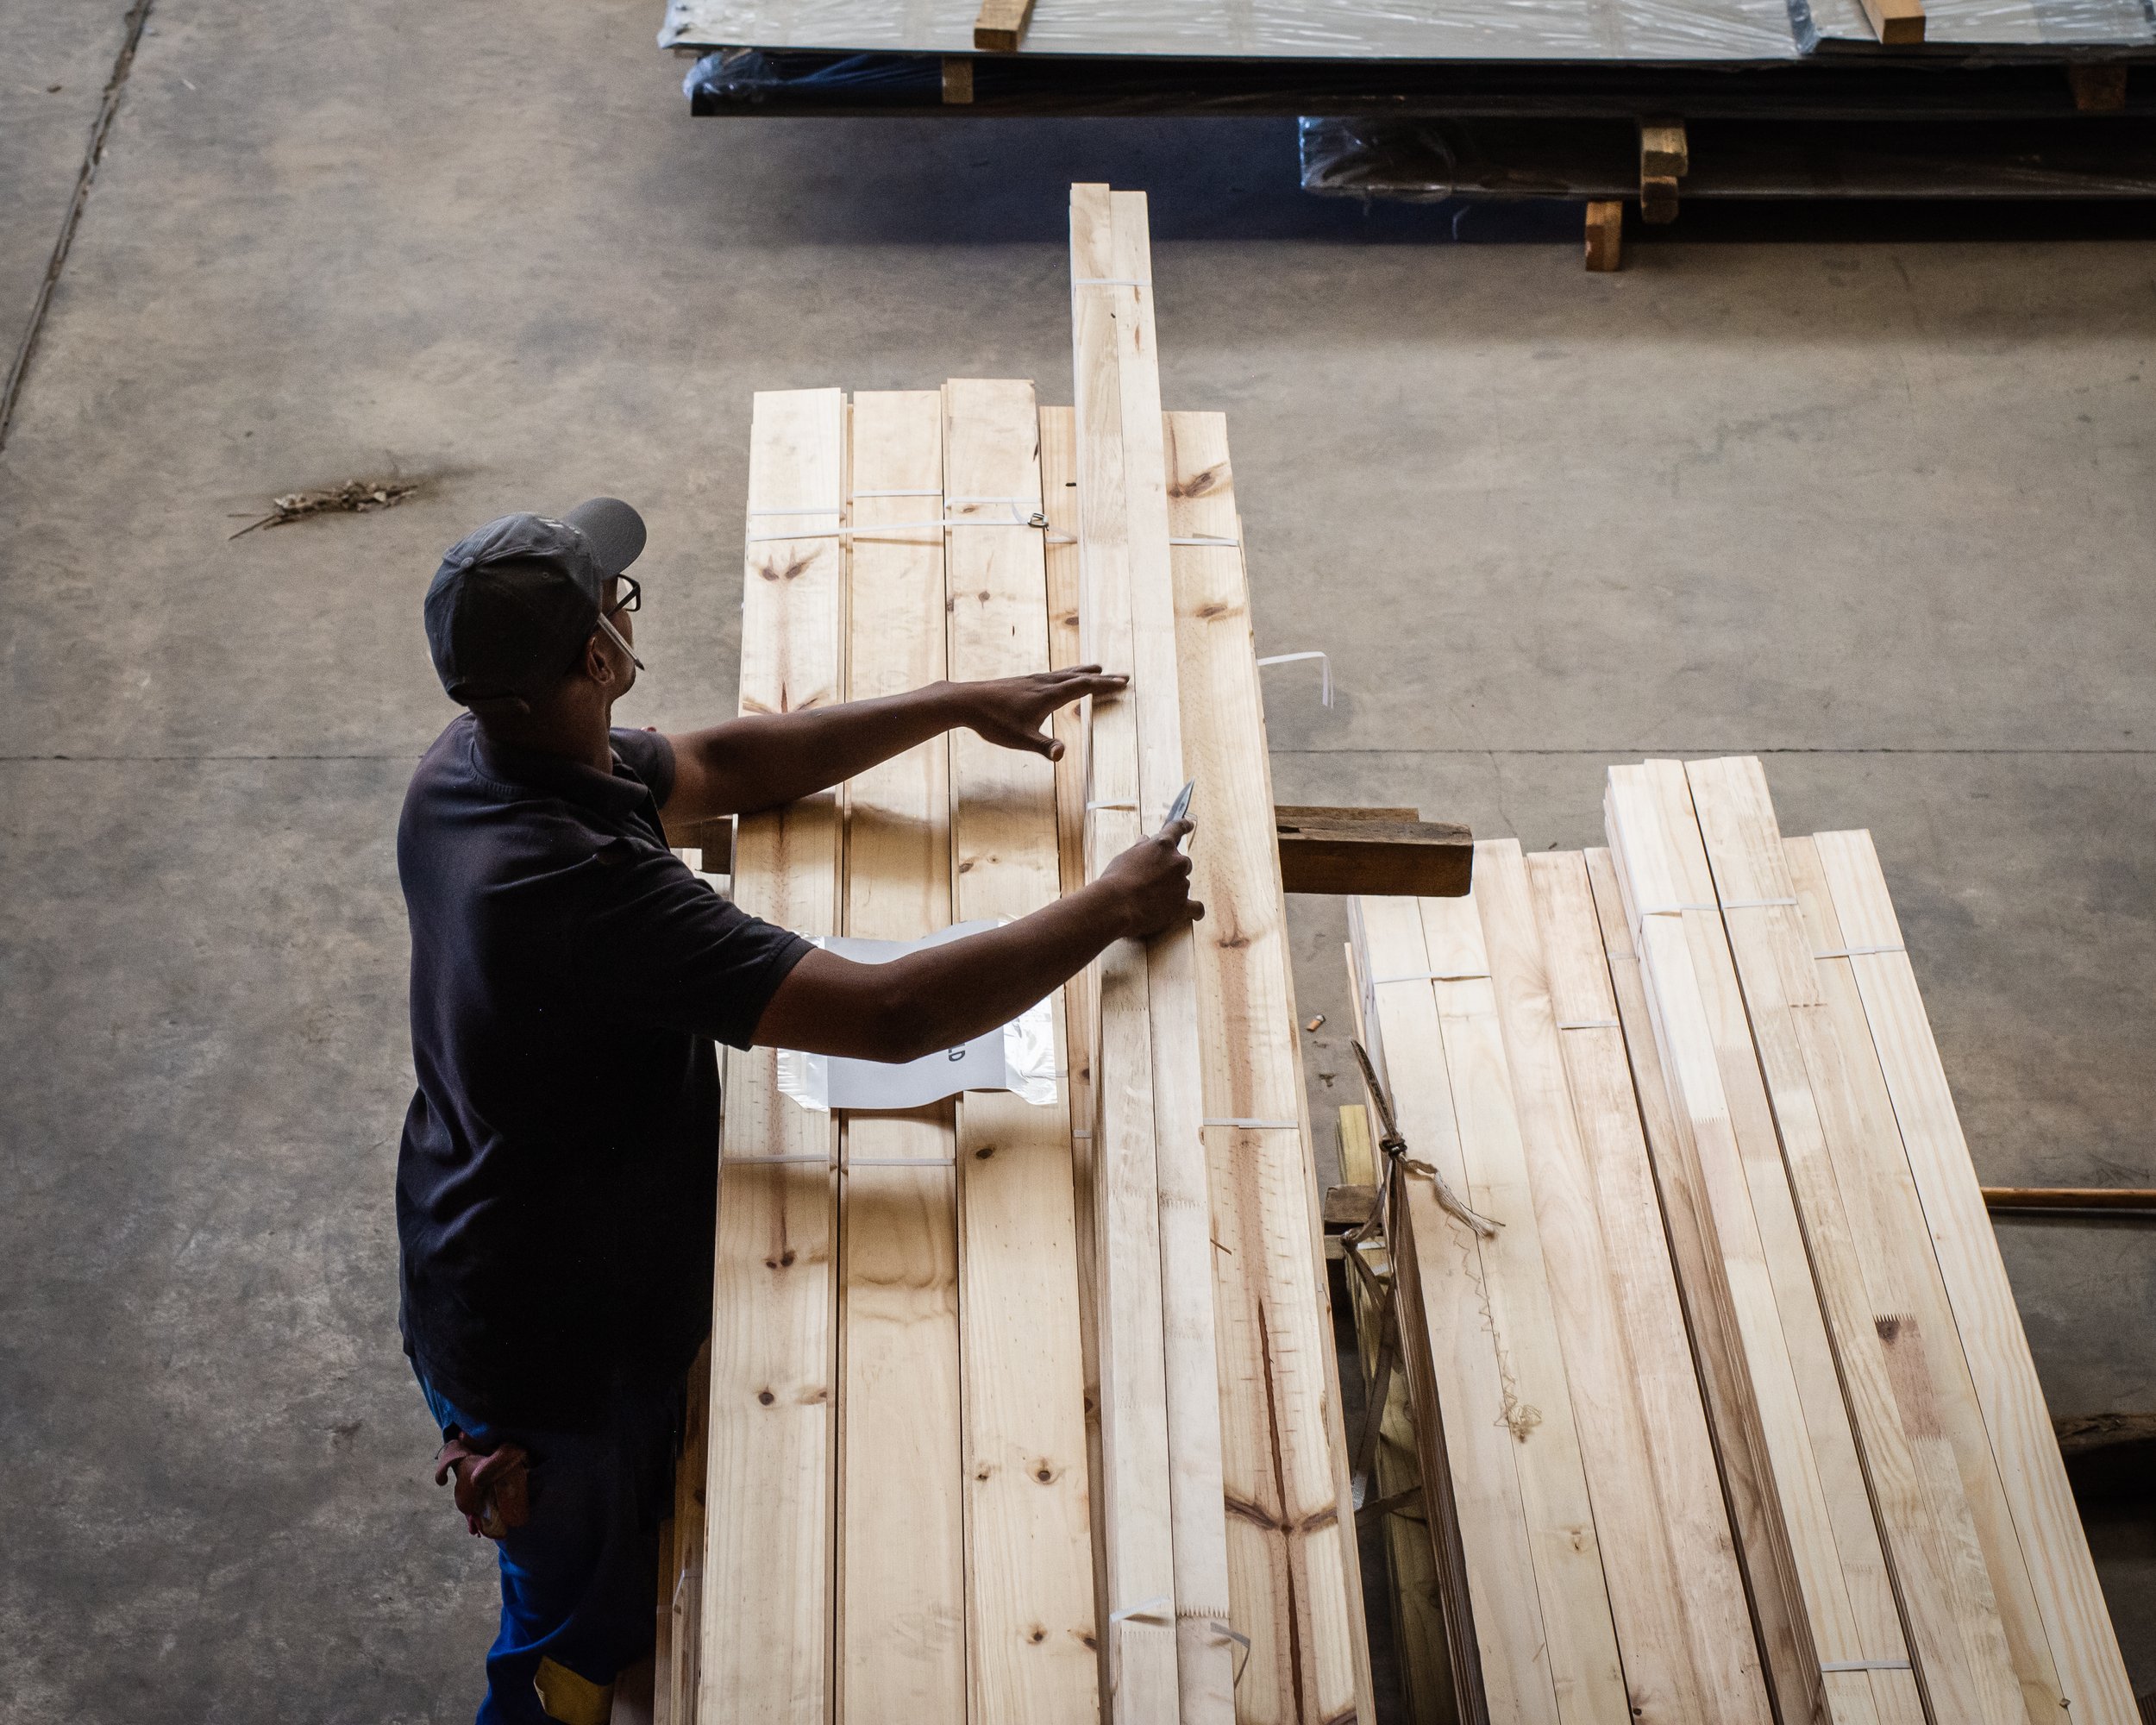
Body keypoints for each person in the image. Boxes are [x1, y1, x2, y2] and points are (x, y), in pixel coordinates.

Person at [396, 498, 1199, 1723]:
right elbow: (887, 1019)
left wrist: (952, 702)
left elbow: (719, 768)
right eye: (617, 601)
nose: (625, 609)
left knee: (625, 1567)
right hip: (553, 1355)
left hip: (495, 1241)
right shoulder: (579, 889)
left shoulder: (477, 764)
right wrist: (1109, 906)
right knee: (577, 1639)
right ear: (602, 659)